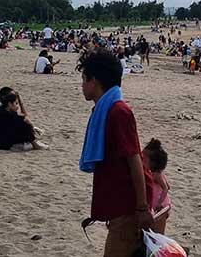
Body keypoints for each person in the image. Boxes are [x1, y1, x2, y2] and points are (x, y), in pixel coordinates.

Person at [77, 48, 153, 256]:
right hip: (118, 205)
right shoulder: (103, 110)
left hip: (128, 208)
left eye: (84, 79)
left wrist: (141, 208)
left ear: (95, 81)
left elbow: (134, 160)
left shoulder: (118, 112)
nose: (81, 85)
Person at [144, 138, 171, 234]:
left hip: (161, 207)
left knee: (158, 233)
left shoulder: (156, 175)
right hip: (160, 206)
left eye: (144, 160)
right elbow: (168, 185)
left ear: (153, 163)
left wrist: (160, 202)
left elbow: (166, 188)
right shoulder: (157, 174)